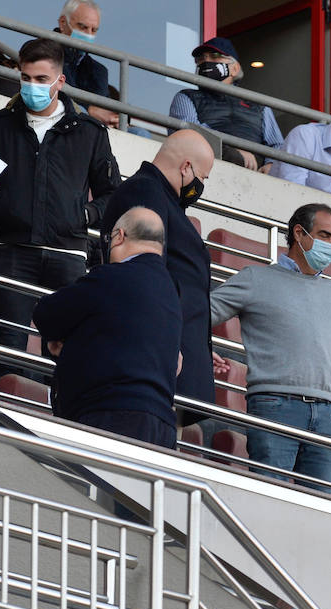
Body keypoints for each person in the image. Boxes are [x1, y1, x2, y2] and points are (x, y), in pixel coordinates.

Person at [0, 38, 118, 374]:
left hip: (68, 255)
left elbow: (112, 195)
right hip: (13, 251)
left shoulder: (89, 133)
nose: (32, 86)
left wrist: (83, 215)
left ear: (60, 81)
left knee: (64, 351)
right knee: (10, 349)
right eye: (26, 78)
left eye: (41, 80)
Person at [208, 203, 331, 490]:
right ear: (299, 233)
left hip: (326, 414)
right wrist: (201, 348)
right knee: (269, 497)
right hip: (274, 405)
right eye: (325, 235)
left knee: (321, 511)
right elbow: (200, 314)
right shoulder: (256, 278)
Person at [33, 207, 181, 447]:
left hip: (112, 417)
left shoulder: (111, 277)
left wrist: (66, 341)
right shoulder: (170, 292)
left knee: (98, 485)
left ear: (120, 236)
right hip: (161, 427)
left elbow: (47, 313)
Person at [101, 130, 219, 413]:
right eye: (202, 177)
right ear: (186, 166)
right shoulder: (145, 191)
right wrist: (166, 341)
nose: (201, 185)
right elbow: (145, 273)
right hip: (159, 356)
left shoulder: (163, 199)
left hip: (171, 353)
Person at [170, 37, 283, 171]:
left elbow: (277, 145)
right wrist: (234, 150)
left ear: (235, 68)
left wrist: (271, 165)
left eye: (215, 56)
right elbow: (190, 134)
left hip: (256, 173)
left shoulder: (259, 105)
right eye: (200, 58)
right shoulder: (187, 97)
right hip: (210, 164)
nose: (206, 61)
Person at [55, 0, 119, 129]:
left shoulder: (100, 71)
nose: (88, 35)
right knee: (83, 116)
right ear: (63, 23)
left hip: (93, 130)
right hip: (61, 122)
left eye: (94, 30)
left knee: (140, 133)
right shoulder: (44, 52)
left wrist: (115, 118)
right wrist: (89, 109)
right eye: (83, 27)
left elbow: (103, 108)